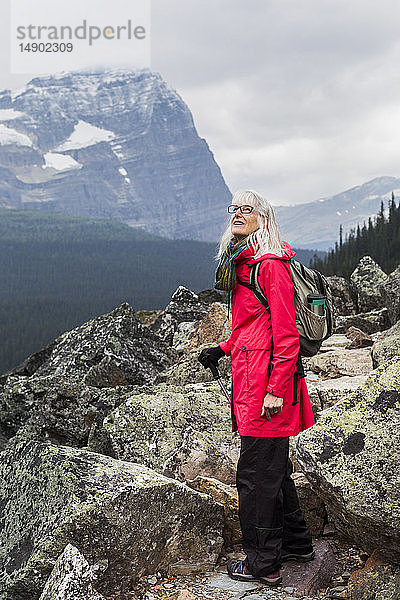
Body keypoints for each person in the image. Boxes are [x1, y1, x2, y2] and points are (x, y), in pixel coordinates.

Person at [198, 189, 315, 586]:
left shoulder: (270, 267)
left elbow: (285, 335)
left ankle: (263, 564)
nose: (237, 213)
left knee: (254, 476)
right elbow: (252, 329)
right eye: (233, 208)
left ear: (262, 218)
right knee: (274, 470)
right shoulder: (243, 264)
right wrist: (222, 347)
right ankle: (297, 543)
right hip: (253, 379)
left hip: (267, 389)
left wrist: (276, 390)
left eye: (247, 209)